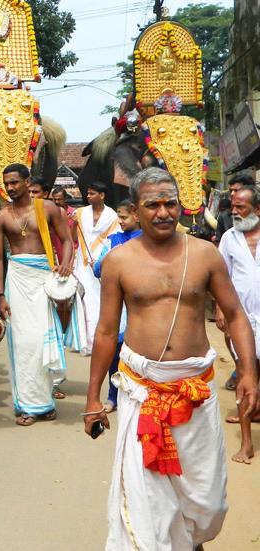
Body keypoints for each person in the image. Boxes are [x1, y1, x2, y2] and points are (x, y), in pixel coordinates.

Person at [84, 167, 259, 550]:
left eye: (170, 203)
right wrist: (94, 398)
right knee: (148, 500)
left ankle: (191, 540)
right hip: (142, 392)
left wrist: (248, 371)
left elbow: (234, 315)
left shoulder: (205, 255)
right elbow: (106, 332)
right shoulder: (118, 261)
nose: (163, 212)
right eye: (152, 205)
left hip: (195, 391)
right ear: (134, 208)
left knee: (207, 501)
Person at [0, 163, 73, 426]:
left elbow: (68, 240)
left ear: (28, 182)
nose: (11, 187)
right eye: (7, 183)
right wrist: (1, 295)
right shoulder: (2, 217)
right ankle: (28, 405)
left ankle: (45, 401)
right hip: (16, 280)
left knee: (42, 342)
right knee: (23, 343)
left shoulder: (48, 208)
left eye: (15, 182)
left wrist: (66, 264)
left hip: (43, 278)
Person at [217, 186, 260, 464]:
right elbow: (220, 276)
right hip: (242, 319)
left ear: (257, 210)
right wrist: (221, 308)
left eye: (241, 208)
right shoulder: (229, 238)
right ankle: (246, 443)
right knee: (246, 378)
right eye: (233, 207)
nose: (234, 212)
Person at [92, 200, 141, 412]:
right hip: (116, 306)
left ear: (136, 216)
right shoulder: (112, 240)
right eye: (118, 217)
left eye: (124, 217)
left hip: (139, 307)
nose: (120, 221)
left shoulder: (146, 241)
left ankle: (137, 395)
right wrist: (114, 256)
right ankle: (112, 397)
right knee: (114, 353)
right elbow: (96, 268)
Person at [216, 175, 254, 390]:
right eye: (230, 192)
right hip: (237, 303)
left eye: (237, 191)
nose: (232, 196)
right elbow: (222, 271)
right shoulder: (228, 230)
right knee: (236, 347)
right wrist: (220, 306)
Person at [73, 181, 120, 355]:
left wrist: (102, 259)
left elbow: (112, 240)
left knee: (97, 300)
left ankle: (95, 341)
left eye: (92, 193)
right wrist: (72, 224)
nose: (88, 196)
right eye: (88, 193)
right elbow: (73, 237)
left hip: (101, 261)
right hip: (82, 261)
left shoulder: (112, 216)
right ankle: (83, 341)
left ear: (102, 195)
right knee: (82, 299)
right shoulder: (80, 213)